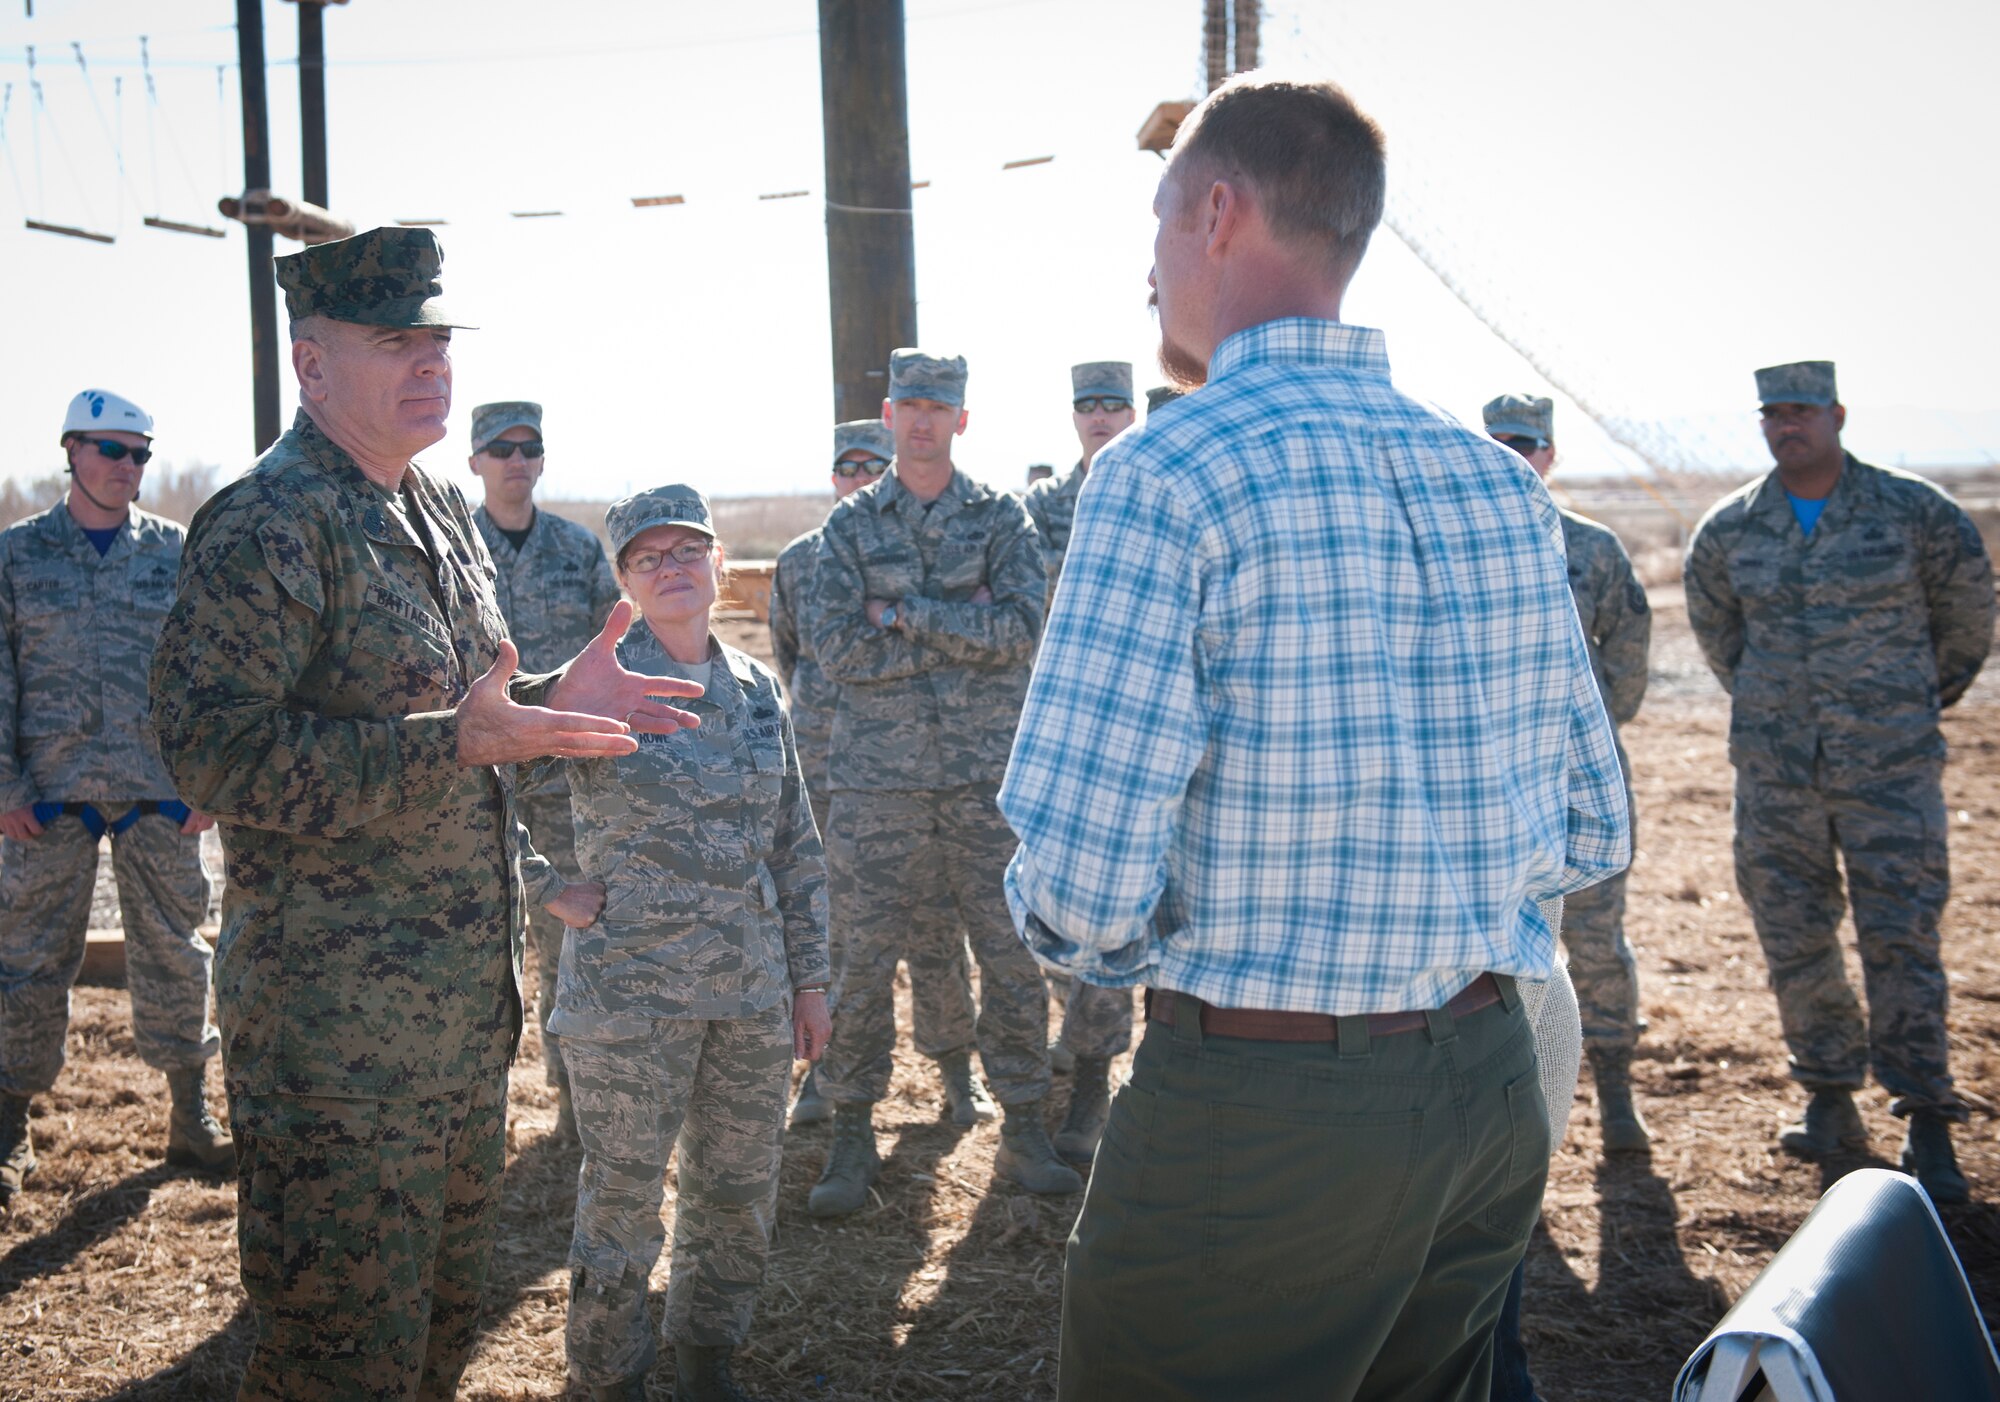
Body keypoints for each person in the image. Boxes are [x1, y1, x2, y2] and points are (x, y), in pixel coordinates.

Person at [1000, 76, 1629, 1400]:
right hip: (1486, 1088)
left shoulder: (1166, 475)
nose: (1151, 267)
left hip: (1260, 1106)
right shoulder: (1498, 486)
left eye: (1162, 222)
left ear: (1219, 212)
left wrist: (1121, 936)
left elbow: (1083, 892)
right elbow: (1588, 824)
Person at [148, 226, 701, 1400]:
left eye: (438, 338)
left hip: (456, 1028)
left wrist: (557, 696)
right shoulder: (268, 523)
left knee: (438, 1346)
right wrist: (456, 739)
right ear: (310, 365)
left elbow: (466, 714)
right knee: (339, 1366)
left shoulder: (435, 507)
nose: (430, 363)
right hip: (334, 1049)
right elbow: (213, 754)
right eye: (394, 340)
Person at [1684, 359, 1993, 1205]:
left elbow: (1967, 617)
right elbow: (1721, 638)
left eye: (1803, 411)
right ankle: (1827, 1095)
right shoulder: (1731, 529)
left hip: (1889, 770)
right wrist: (1781, 710)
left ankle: (1926, 1112)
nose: (1788, 425)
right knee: (1795, 936)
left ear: (1838, 414)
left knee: (1902, 939)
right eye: (1773, 413)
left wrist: (1907, 703)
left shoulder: (1914, 513)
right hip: (1778, 776)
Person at [557, 485, 831, 1402]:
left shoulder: (757, 691)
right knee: (624, 1200)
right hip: (629, 994)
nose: (672, 568)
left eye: (688, 550)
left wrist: (810, 982)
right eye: (648, 557)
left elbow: (795, 843)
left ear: (718, 565)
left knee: (736, 1193)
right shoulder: (592, 686)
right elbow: (490, 798)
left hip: (750, 996)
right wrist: (548, 884)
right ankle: (608, 1376)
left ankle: (708, 1362)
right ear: (624, 582)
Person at [806, 348, 1081, 1217]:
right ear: (887, 416)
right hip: (875, 791)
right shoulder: (847, 531)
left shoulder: (1000, 517)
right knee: (858, 967)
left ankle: (1026, 1127)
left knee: (1008, 961)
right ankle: (853, 1134)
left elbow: (1022, 631)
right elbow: (836, 649)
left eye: (939, 406)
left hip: (979, 789)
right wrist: (960, 619)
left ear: (962, 421)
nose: (922, 420)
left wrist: (902, 614)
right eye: (908, 404)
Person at [0, 387, 229, 1212]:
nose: (127, 467)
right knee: (26, 964)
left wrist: (203, 779)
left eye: (140, 455)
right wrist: (4, 786)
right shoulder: (16, 556)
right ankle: (8, 1125)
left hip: (157, 795)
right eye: (111, 450)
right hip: (46, 796)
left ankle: (190, 1116)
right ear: (70, 450)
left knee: (176, 952)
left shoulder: (176, 554)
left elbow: (209, 674)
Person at [768, 421, 977, 1129]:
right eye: (847, 466)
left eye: (872, 464)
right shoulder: (799, 562)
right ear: (833, 478)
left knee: (935, 928)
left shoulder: (914, 565)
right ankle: (825, 1078)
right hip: (826, 776)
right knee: (833, 937)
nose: (858, 476)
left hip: (913, 769)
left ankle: (955, 1072)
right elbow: (790, 657)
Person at [1485, 392, 1653, 1155]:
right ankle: (1510, 1110)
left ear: (1550, 453)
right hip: (1486, 790)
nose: (1513, 453)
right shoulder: (1460, 541)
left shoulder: (1593, 548)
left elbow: (1626, 663)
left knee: (1596, 938)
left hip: (1577, 783)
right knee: (1497, 956)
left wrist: (1572, 737)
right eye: (1498, 440)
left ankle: (1616, 1091)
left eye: (1525, 442)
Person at [468, 398, 624, 1141]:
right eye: (501, 448)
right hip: (471, 776)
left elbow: (612, 649)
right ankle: (472, 1115)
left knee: (568, 942)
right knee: (472, 947)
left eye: (529, 448)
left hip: (562, 782)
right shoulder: (448, 548)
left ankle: (572, 1108)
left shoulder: (574, 548)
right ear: (475, 461)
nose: (517, 461)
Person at [1023, 360, 1141, 1163]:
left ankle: (1094, 1081)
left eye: (1112, 404)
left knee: (1130, 909)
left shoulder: (1159, 490)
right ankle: (1059, 1051)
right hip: (1058, 732)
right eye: (1087, 405)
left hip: (1141, 729)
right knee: (1053, 905)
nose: (1099, 417)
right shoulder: (1041, 510)